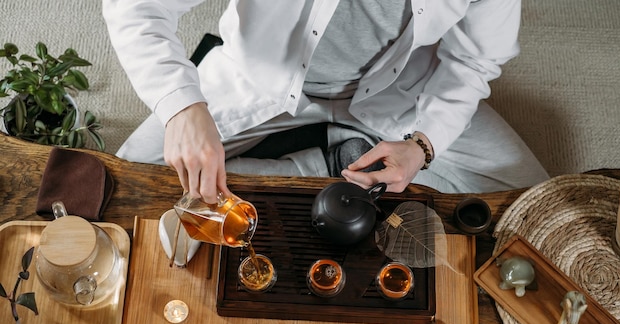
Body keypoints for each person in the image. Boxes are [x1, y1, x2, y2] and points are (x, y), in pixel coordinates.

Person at [103, 0, 549, 203]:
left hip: (403, 95)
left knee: (530, 197)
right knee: (131, 183)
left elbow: (475, 61)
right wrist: (183, 108)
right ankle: (325, 168)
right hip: (258, 79)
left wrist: (422, 146)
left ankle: (335, 162)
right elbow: (134, 7)